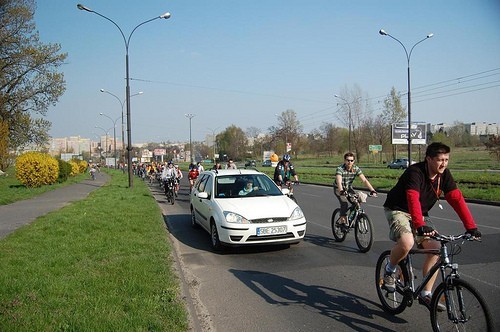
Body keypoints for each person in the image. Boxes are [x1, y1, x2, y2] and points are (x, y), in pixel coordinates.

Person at [382, 142, 482, 310]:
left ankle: (425, 293)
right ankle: (390, 270)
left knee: (436, 249)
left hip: (420, 213)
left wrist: (471, 227)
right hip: (398, 209)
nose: (443, 163)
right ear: (428, 159)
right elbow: (412, 198)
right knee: (407, 243)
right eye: (439, 160)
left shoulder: (444, 175)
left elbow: (456, 199)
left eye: (446, 159)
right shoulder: (415, 172)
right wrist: (420, 225)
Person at [334, 152, 377, 226]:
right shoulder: (340, 168)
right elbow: (339, 181)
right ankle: (343, 223)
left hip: (348, 188)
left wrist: (372, 190)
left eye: (351, 160)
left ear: (354, 161)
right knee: (344, 203)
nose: (349, 162)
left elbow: (364, 180)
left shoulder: (356, 169)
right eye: (348, 160)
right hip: (338, 188)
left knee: (357, 200)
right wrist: (341, 190)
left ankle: (351, 218)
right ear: (344, 160)